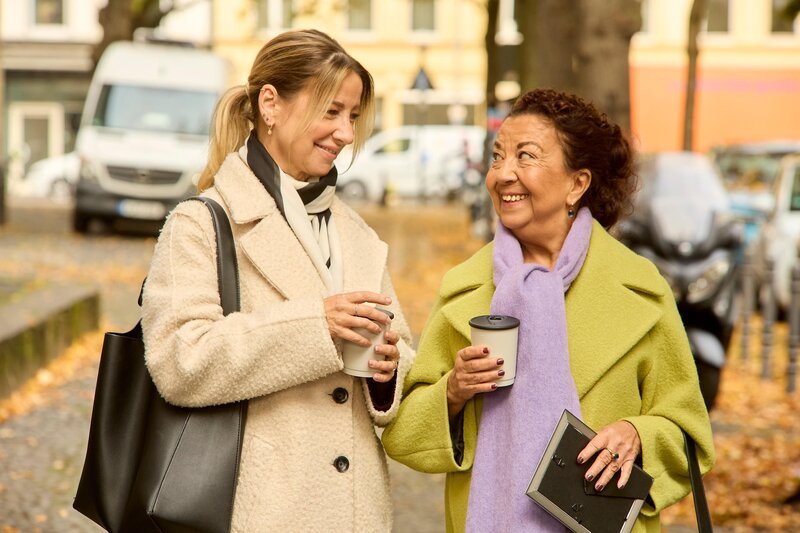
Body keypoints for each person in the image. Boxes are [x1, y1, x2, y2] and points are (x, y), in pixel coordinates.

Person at [381, 88, 715, 532]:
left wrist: (638, 435)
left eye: (526, 156)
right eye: (498, 156)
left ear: (577, 183)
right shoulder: (465, 289)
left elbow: (688, 429)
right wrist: (454, 392)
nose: (503, 174)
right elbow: (403, 432)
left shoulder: (641, 290)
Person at [141, 29, 414, 531]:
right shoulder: (201, 223)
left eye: (352, 116)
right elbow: (180, 360)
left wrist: (389, 370)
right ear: (271, 104)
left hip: (357, 514)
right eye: (331, 111)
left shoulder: (356, 233)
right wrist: (317, 325)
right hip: (258, 510)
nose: (347, 133)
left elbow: (403, 358)